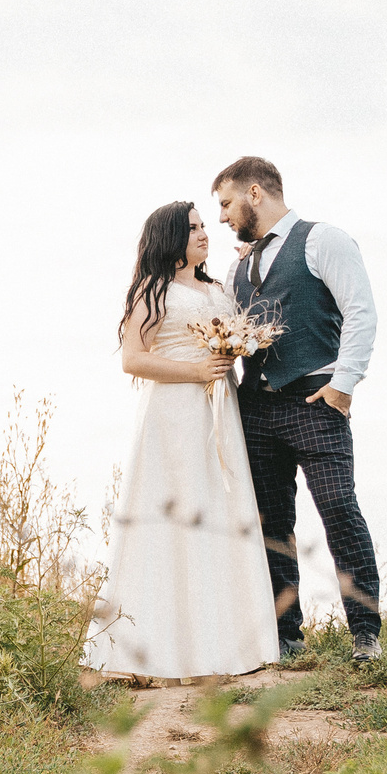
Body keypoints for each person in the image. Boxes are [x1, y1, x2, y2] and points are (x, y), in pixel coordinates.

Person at [79, 200, 281, 683]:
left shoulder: (216, 287)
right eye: (192, 228)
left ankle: (228, 646)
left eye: (203, 226)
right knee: (174, 514)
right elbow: (133, 360)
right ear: (170, 237)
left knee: (220, 509)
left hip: (220, 410)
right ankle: (157, 650)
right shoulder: (151, 289)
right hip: (172, 415)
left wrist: (236, 349)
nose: (203, 233)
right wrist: (196, 370)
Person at [212, 156, 384, 662]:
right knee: (271, 523)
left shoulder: (323, 240)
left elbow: (360, 311)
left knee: (339, 512)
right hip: (256, 409)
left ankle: (365, 635)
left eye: (226, 203)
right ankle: (286, 637)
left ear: (255, 194)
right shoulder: (237, 265)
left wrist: (343, 383)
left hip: (315, 400)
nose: (222, 217)